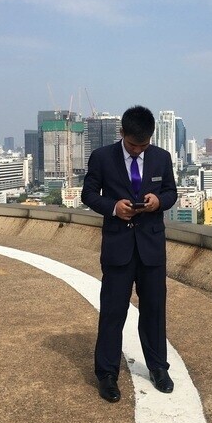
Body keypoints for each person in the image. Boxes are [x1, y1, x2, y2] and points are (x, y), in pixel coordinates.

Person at [81, 105, 178, 403]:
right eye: (133, 145)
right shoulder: (102, 157)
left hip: (151, 247)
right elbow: (88, 194)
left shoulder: (161, 157)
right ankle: (107, 374)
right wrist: (113, 207)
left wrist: (157, 201)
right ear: (122, 133)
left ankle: (158, 368)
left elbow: (172, 193)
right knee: (113, 312)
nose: (138, 151)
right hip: (118, 247)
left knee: (154, 310)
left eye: (144, 145)